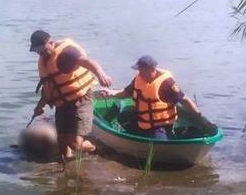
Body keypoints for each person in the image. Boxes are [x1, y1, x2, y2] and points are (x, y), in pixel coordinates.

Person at [29, 30, 112, 160]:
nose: (40, 53)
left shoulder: (66, 54)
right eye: (37, 51)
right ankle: (66, 168)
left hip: (81, 99)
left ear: (51, 43)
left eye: (43, 50)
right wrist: (40, 106)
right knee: (62, 145)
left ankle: (95, 148)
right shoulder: (44, 61)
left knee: (75, 145)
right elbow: (48, 88)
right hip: (63, 103)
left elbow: (88, 62)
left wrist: (101, 74)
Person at [97, 55, 208, 139]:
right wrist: (111, 93)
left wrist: (199, 117)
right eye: (139, 70)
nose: (139, 72)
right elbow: (126, 93)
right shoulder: (138, 78)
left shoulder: (166, 83)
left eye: (141, 70)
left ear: (151, 69)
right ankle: (139, 136)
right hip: (143, 121)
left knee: (160, 143)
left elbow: (184, 100)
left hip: (161, 125)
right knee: (122, 117)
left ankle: (166, 136)